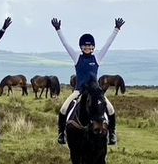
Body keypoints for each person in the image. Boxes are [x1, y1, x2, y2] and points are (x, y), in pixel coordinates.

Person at [52, 17, 124, 145]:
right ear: (81, 47)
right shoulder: (77, 57)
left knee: (111, 109)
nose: (87, 47)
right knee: (63, 109)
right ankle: (61, 134)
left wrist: (116, 29)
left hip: (95, 92)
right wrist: (58, 30)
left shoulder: (97, 57)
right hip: (79, 90)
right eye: (85, 45)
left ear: (93, 47)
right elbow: (66, 45)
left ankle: (112, 134)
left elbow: (108, 44)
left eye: (90, 45)